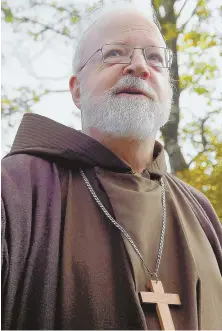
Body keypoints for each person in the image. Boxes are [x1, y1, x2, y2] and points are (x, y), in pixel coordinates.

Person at [1, 1, 222, 330]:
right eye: (115, 53)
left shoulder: (199, 210)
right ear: (76, 91)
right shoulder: (14, 188)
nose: (139, 66)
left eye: (155, 58)